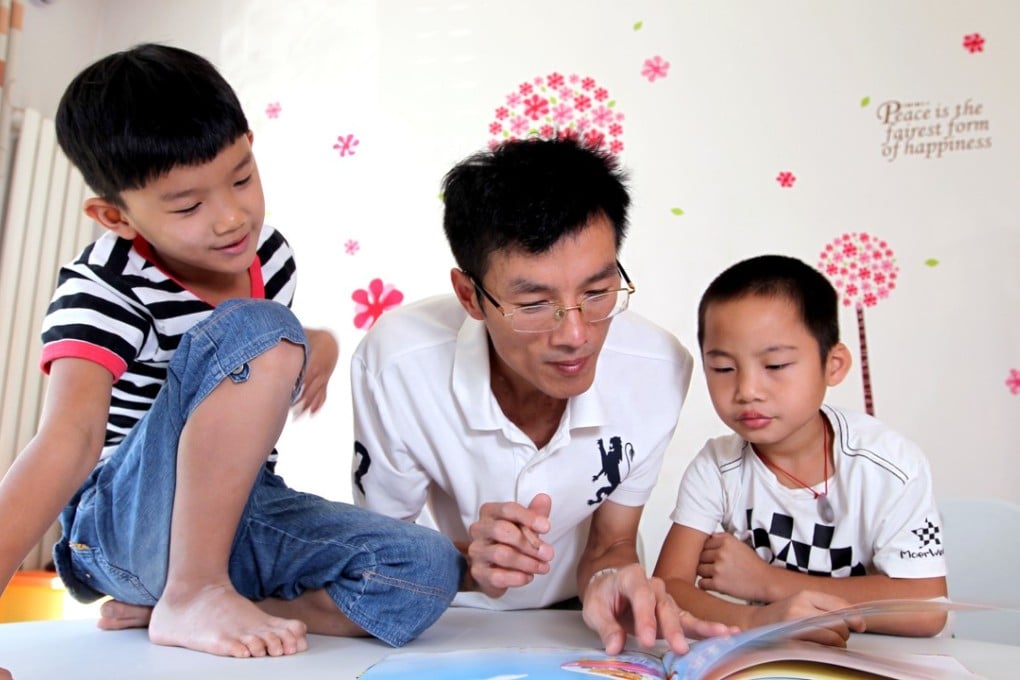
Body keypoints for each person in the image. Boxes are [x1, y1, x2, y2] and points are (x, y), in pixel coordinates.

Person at [0, 43, 463, 661]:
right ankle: (192, 591)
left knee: (425, 570)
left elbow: (240, 375)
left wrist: (308, 341)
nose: (231, 218)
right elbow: (68, 439)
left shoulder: (269, 259)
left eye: (242, 176)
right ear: (115, 216)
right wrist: (286, 336)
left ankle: (194, 601)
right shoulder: (105, 288)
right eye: (189, 205)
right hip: (122, 529)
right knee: (261, 325)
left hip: (241, 516)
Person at [350, 137, 735, 656]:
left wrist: (609, 580)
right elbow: (381, 554)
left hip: (581, 623)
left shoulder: (658, 371)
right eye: (534, 303)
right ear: (470, 297)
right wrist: (468, 562)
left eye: (597, 293)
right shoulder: (397, 364)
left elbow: (612, 543)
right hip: (440, 617)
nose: (575, 334)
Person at [653, 254, 948, 646]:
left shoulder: (889, 465)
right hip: (771, 658)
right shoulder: (717, 467)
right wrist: (757, 619)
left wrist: (768, 582)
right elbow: (667, 588)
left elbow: (927, 608)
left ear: (833, 365)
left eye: (775, 365)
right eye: (723, 369)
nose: (747, 391)